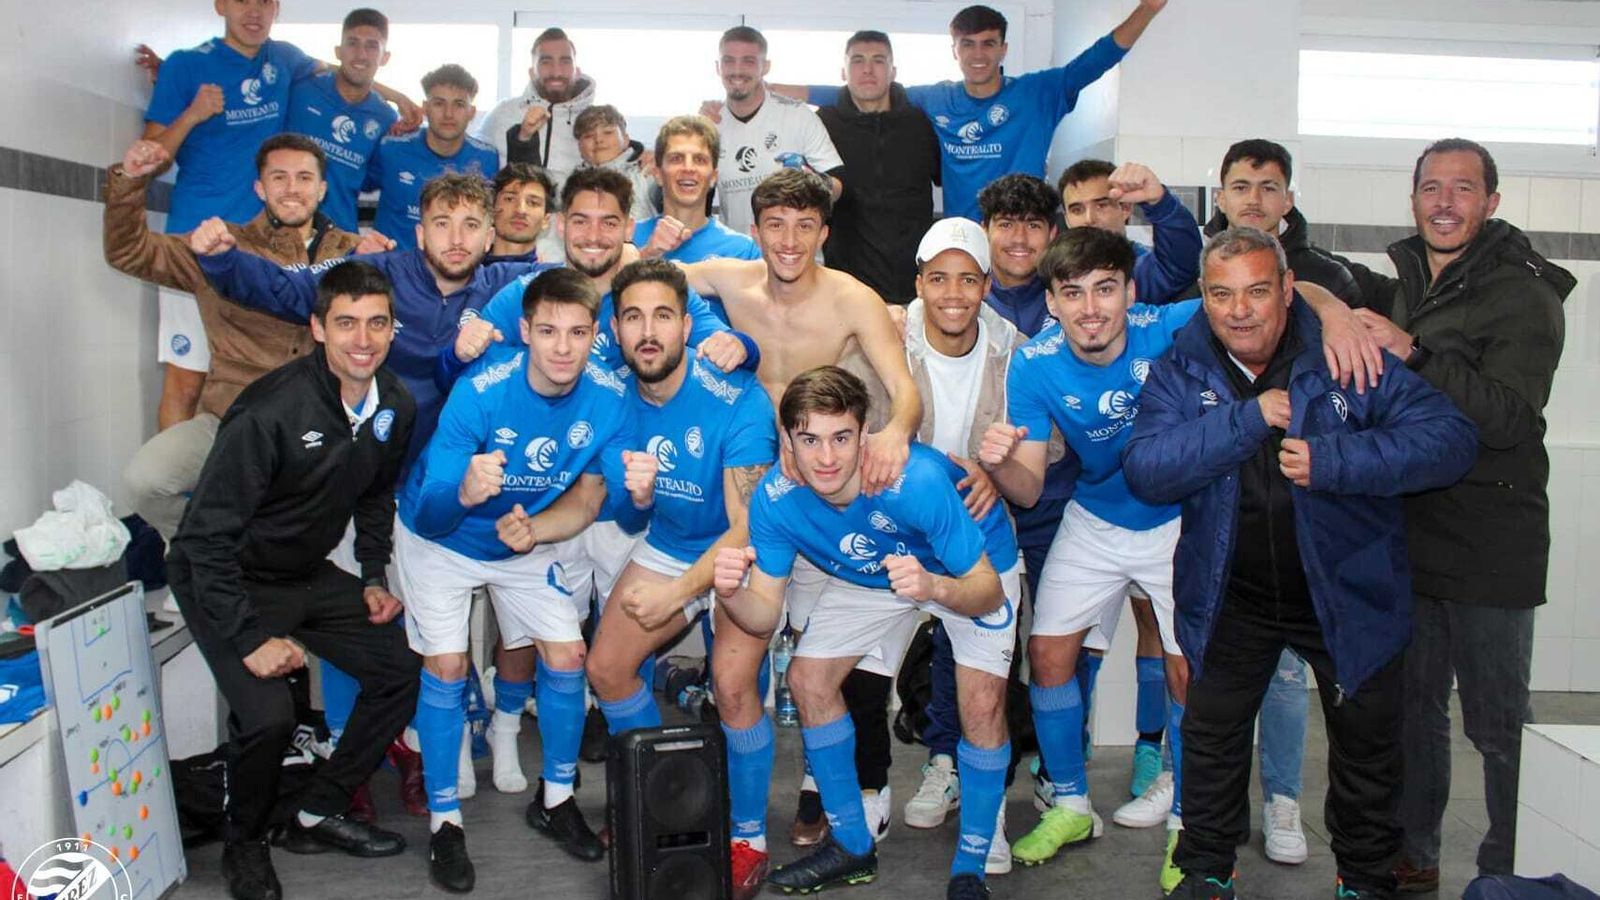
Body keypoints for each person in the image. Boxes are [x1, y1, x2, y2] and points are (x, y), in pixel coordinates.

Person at [1122, 226, 1479, 900]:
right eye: (1222, 294)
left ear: (1288, 289)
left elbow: (1451, 440)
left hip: (1345, 592)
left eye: (1257, 291)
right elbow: (1147, 468)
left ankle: (1365, 879)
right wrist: (1248, 420)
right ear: (1203, 297)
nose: (1239, 310)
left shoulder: (1345, 354)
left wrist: (1337, 460)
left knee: (1367, 748)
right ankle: (1206, 871)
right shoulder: (1182, 366)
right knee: (1211, 740)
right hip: (1232, 592)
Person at [443, 166, 754, 794]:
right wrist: (462, 343)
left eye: (609, 221)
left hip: (632, 507)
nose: (593, 233)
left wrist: (745, 345)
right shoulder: (530, 292)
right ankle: (509, 729)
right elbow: (471, 371)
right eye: (580, 220)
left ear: (628, 227)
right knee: (530, 626)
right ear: (560, 226)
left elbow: (723, 349)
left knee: (614, 644)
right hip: (553, 493)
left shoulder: (648, 289)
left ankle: (637, 777)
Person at [1332, 139, 1573, 891]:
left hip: (1492, 541)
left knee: (1498, 724)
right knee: (1415, 710)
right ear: (1413, 199)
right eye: (1431, 187)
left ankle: (1512, 865)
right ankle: (1418, 852)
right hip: (1416, 534)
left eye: (1462, 188)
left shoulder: (1524, 294)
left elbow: (1509, 418)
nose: (1444, 202)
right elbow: (1317, 280)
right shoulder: (1413, 279)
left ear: (1491, 202)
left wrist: (1415, 353)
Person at [677, 168, 922, 864]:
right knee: (736, 667)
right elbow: (642, 277)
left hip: (826, 496)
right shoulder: (729, 280)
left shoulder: (852, 298)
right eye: (776, 225)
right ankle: (744, 824)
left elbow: (904, 391)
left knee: (822, 664)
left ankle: (821, 790)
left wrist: (896, 432)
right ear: (754, 231)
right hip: (752, 492)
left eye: (805, 226)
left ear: (824, 232)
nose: (789, 240)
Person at [713, 365, 1020, 900]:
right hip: (875, 572)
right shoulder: (775, 498)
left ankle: (970, 866)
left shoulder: (914, 482)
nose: (826, 458)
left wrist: (933, 587)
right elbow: (763, 616)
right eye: (809, 439)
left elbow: (988, 592)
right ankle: (853, 847)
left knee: (981, 707)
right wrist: (731, 592)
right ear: (787, 440)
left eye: (841, 438)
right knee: (807, 680)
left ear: (865, 435)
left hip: (969, 570)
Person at [167, 260, 420, 900]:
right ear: (317, 328)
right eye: (346, 323)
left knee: (398, 670)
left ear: (392, 330)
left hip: (303, 572)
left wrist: (371, 574)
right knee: (269, 719)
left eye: (377, 323)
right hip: (222, 576)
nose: (362, 339)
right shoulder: (270, 411)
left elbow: (375, 494)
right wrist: (250, 639)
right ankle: (245, 844)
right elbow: (202, 539)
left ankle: (316, 812)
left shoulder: (394, 404)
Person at [396, 268, 645, 891]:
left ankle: (556, 798)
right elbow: (430, 513)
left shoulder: (609, 398)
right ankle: (445, 823)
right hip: (441, 538)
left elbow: (593, 503)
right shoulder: (481, 390)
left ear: (596, 336)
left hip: (523, 534)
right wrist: (464, 491)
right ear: (526, 331)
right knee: (447, 665)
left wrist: (632, 498)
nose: (563, 347)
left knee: (568, 656)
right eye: (549, 331)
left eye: (578, 333)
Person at [976, 226, 1198, 881]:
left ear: (1130, 292)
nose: (1091, 308)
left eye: (1105, 289)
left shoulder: (1167, 326)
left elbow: (1270, 294)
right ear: (1052, 302)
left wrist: (1338, 316)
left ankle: (1189, 822)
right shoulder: (1034, 364)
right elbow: (1028, 488)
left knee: (1188, 671)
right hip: (1095, 516)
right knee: (1047, 655)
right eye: (1073, 293)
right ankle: (1072, 803)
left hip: (1176, 520)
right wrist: (998, 464)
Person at [582, 260, 778, 899]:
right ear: (615, 329)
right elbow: (621, 509)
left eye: (663, 316)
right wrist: (634, 499)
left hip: (747, 550)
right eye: (633, 317)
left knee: (732, 686)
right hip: (672, 541)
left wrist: (677, 594)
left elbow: (745, 526)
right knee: (607, 669)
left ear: (687, 326)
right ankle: (653, 797)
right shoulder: (611, 394)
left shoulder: (737, 397)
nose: (648, 332)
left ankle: (747, 837)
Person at [858, 217, 1044, 877]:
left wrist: (998, 470)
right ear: (918, 284)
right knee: (848, 676)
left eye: (968, 279)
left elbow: (1033, 479)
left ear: (988, 285)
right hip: (894, 534)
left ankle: (985, 822)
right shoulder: (883, 338)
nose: (954, 294)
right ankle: (862, 807)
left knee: (985, 696)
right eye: (939, 278)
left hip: (981, 538)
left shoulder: (1019, 354)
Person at [1203, 137, 1365, 866]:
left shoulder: (1328, 276)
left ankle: (1283, 799)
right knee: (1213, 675)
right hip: (1221, 508)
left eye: (1269, 188)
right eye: (1241, 186)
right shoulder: (1198, 269)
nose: (1255, 200)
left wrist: (1332, 305)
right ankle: (1199, 807)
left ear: (1289, 200)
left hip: (1304, 515)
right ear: (1221, 196)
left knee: (1291, 674)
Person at [108, 133, 362, 540]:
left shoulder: (357, 252)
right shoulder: (219, 246)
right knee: (145, 480)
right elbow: (129, 252)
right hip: (231, 417)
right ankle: (203, 547)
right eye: (279, 177)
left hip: (327, 429)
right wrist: (130, 182)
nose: (292, 188)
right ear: (260, 188)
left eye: (303, 178)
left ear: (322, 189)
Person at [191, 172, 547, 462]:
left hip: (445, 470)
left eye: (470, 225)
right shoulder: (378, 273)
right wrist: (223, 260)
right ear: (421, 235)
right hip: (362, 458)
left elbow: (574, 281)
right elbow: (290, 289)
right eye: (442, 224)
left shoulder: (507, 285)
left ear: (488, 237)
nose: (456, 239)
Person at [773, 2, 1167, 221]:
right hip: (964, 242)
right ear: (955, 50)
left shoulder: (1037, 93)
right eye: (967, 44)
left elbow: (1098, 58)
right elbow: (860, 91)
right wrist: (766, 89)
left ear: (1003, 49)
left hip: (1026, 234)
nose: (978, 54)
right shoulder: (935, 98)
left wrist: (1148, 9)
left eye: (988, 43)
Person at [140, 0, 319, 430]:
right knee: (186, 380)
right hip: (193, 247)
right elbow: (152, 158)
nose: (254, 11)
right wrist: (193, 113)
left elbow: (341, 70)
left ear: (277, 8)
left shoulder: (285, 58)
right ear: (221, 5)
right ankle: (178, 477)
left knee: (253, 379)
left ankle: (237, 471)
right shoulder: (185, 65)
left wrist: (399, 98)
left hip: (255, 254)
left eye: (265, 1)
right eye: (242, 0)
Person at [815, 31, 941, 304]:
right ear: (843, 72)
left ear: (893, 71)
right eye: (858, 60)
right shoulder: (823, 124)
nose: (868, 69)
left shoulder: (920, 123)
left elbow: (953, 175)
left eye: (878, 60)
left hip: (917, 289)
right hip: (847, 290)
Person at [710, 26, 845, 237]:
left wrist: (812, 183)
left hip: (795, 250)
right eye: (729, 61)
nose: (737, 70)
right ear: (718, 67)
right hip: (737, 251)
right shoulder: (710, 125)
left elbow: (839, 183)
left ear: (765, 67)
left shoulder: (798, 116)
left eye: (748, 61)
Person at [283, 8, 398, 233]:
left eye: (372, 46)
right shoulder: (301, 90)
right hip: (282, 230)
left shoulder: (386, 118)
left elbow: (372, 180)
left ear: (385, 57)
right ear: (338, 51)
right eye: (353, 43)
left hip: (338, 238)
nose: (361, 54)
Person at [370, 64, 500, 251]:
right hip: (391, 265)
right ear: (425, 108)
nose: (448, 114)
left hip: (454, 265)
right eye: (439, 103)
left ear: (471, 112)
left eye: (459, 104)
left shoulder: (487, 159)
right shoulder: (391, 149)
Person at [1058, 159, 1202, 304]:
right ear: (1067, 219)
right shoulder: (1054, 272)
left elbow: (1179, 264)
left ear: (1126, 208)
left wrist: (1161, 204)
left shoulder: (1142, 271)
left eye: (1101, 205)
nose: (1089, 219)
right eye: (1077, 210)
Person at [632, 116, 761, 272]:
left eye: (699, 160)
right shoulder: (627, 237)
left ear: (713, 177)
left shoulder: (744, 251)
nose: (688, 168)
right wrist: (647, 255)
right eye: (676, 158)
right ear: (658, 174)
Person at [482, 27, 594, 189]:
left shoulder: (595, 121)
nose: (556, 71)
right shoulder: (502, 113)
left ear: (577, 71)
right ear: (531, 72)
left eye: (565, 61)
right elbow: (472, 159)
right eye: (546, 62)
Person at [563, 104, 655, 222]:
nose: (598, 140)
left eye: (608, 132)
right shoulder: (568, 183)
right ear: (579, 147)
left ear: (625, 139)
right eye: (588, 136)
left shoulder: (649, 172)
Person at [485, 163, 557, 264]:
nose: (520, 210)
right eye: (510, 199)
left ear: (546, 219)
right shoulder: (467, 269)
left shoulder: (549, 273)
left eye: (533, 203)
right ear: (492, 208)